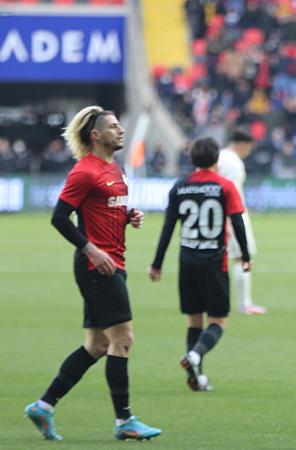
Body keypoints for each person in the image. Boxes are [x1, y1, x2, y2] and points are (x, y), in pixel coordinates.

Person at [24, 106, 161, 441]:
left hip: (112, 262)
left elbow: (104, 207)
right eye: (114, 127)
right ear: (95, 135)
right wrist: (90, 248)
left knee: (98, 344)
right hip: (97, 266)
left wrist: (128, 215)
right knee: (123, 339)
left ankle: (44, 406)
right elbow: (59, 217)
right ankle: (124, 421)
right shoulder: (84, 171)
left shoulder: (114, 168)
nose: (121, 131)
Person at [148, 137, 251, 392]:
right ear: (216, 160)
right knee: (219, 320)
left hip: (187, 261)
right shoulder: (225, 186)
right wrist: (246, 256)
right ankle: (194, 357)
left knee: (194, 320)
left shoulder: (180, 186)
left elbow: (168, 227)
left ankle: (196, 377)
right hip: (215, 262)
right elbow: (238, 223)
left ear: (191, 159)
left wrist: (157, 263)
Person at [216, 129, 266, 315]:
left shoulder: (219, 156)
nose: (249, 151)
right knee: (242, 258)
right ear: (243, 144)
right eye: (249, 147)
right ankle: (245, 303)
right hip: (233, 214)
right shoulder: (234, 162)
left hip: (218, 213)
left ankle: (214, 300)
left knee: (217, 259)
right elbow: (231, 191)